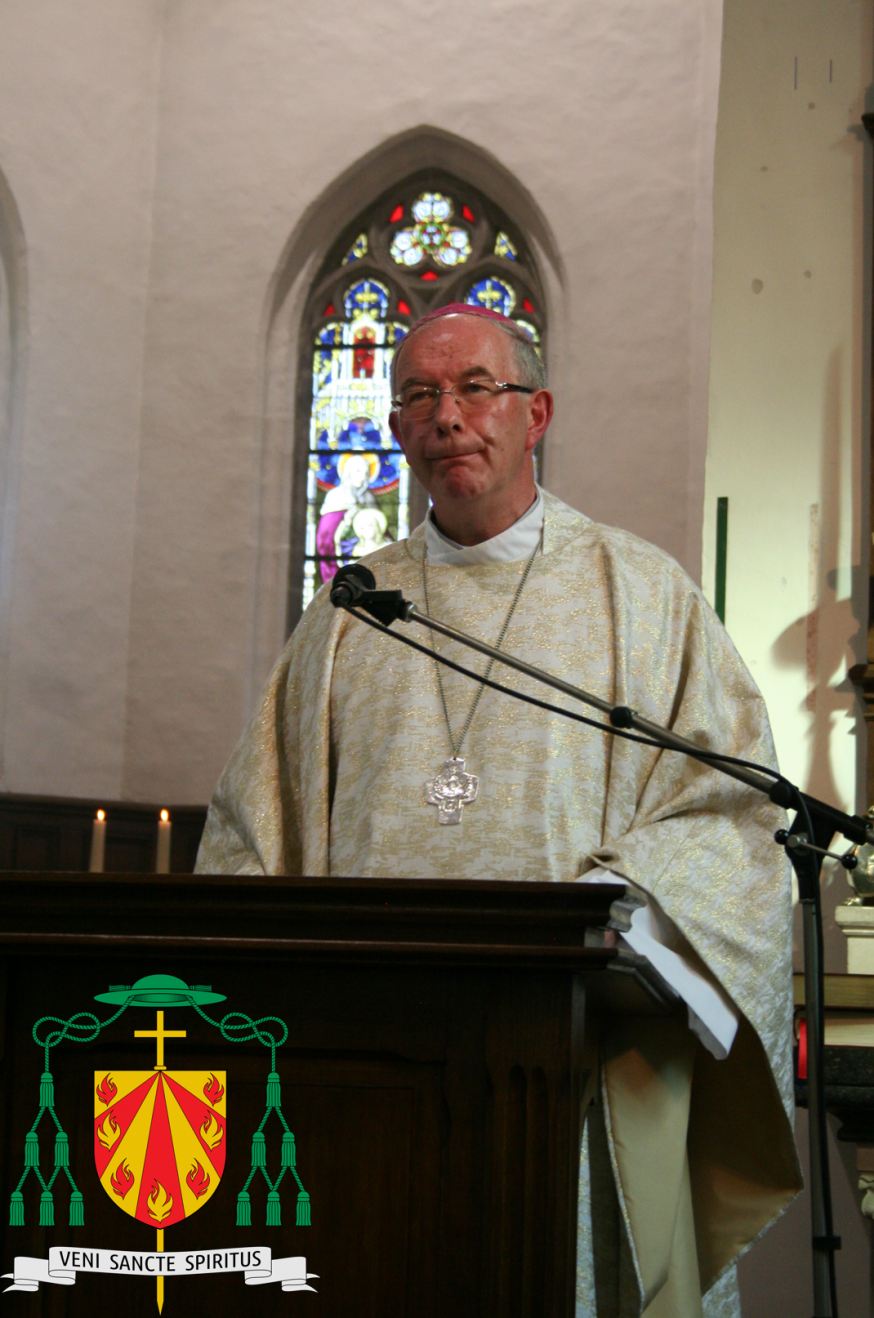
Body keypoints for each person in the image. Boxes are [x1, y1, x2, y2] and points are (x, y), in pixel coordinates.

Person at [196, 304, 801, 1316]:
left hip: (570, 1060)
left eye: (476, 387)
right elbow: (254, 830)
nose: (448, 417)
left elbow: (730, 814)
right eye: (420, 396)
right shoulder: (349, 611)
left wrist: (620, 907)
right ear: (394, 428)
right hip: (372, 1064)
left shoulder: (640, 594)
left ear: (536, 412)